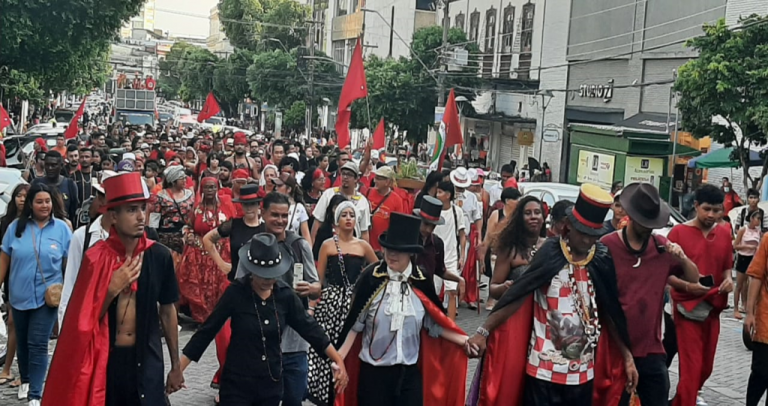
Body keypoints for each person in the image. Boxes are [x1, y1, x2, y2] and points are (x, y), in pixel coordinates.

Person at [465, 183, 636, 406]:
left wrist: (627, 356)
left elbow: (610, 312)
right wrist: (482, 331)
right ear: (568, 227)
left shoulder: (601, 258)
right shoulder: (550, 252)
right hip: (543, 372)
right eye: (583, 233)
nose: (587, 240)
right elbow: (517, 294)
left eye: (593, 234)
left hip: (583, 374)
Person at [43, 171, 183, 406]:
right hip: (107, 363)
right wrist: (110, 290)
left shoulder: (159, 256)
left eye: (142, 208)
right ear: (113, 216)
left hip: (148, 360)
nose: (140, 216)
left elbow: (168, 311)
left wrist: (176, 365)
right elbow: (80, 322)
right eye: (131, 210)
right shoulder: (95, 258)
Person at [181, 232, 348, 405]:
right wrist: (178, 369)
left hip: (270, 384)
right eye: (262, 275)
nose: (268, 281)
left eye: (272, 275)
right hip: (237, 384)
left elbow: (310, 329)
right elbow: (207, 330)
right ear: (251, 270)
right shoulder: (236, 293)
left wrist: (337, 359)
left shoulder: (285, 296)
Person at [336, 213, 469, 406]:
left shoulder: (421, 281)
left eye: (399, 250)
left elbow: (435, 324)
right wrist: (338, 358)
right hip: (374, 375)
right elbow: (354, 325)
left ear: (411, 253)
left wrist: (466, 341)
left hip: (409, 375)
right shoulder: (371, 278)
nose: (391, 254)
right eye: (388, 249)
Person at [600, 182, 700, 406]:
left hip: (652, 349)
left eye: (652, 224)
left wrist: (682, 257)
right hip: (615, 348)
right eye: (644, 223)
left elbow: (695, 277)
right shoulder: (607, 246)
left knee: (657, 395)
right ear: (632, 216)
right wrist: (625, 355)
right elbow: (601, 303)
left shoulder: (662, 248)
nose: (648, 228)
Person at [233, 192, 322, 406]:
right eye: (275, 215)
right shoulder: (251, 248)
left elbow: (317, 287)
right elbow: (239, 289)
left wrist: (310, 288)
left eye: (284, 215)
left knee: (294, 398)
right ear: (263, 213)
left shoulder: (300, 245)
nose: (280, 221)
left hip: (295, 341)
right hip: (261, 342)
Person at [0, 184, 72, 404]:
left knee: (38, 343)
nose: (44, 206)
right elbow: (4, 260)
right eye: (39, 201)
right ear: (30, 204)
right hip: (18, 296)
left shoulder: (62, 229)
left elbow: (69, 265)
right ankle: (26, 380)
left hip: (47, 297)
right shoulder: (15, 228)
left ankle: (35, 394)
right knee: (22, 341)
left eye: (47, 201)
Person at [667, 184, 734, 406]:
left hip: (714, 307)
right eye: (707, 209)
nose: (712, 215)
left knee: (705, 368)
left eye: (717, 210)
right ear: (696, 206)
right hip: (687, 308)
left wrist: (728, 280)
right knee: (691, 369)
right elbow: (666, 276)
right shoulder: (678, 233)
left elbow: (726, 266)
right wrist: (688, 288)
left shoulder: (724, 233)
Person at [307, 201, 378, 406]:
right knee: (327, 351)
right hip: (330, 303)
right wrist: (312, 305)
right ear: (337, 220)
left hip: (354, 304)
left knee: (350, 350)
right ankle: (328, 396)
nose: (348, 218)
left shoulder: (363, 246)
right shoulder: (327, 245)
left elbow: (377, 272)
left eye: (352, 215)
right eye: (344, 215)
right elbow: (319, 281)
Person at [59, 171, 117, 327]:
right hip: (89, 317)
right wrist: (66, 323)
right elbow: (71, 283)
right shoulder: (82, 236)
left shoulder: (131, 238)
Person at [488, 195, 546, 300]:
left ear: (543, 218)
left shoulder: (550, 246)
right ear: (520, 219)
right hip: (517, 312)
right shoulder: (509, 249)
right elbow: (493, 288)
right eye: (527, 213)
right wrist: (504, 287)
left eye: (537, 212)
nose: (533, 216)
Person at [0, 183, 28, 388]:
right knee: (13, 325)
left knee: (17, 326)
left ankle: (18, 371)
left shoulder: (34, 224)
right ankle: (9, 368)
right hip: (10, 279)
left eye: (26, 196)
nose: (22, 200)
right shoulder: (5, 223)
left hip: (27, 280)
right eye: (19, 196)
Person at [204, 184, 262, 282]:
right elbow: (207, 239)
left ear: (258, 205)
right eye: (245, 204)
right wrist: (221, 263)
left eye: (252, 204)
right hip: (236, 281)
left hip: (260, 281)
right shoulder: (233, 224)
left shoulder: (265, 228)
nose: (248, 208)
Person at [413, 195, 466, 299]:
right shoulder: (408, 239)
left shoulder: (437, 243)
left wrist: (459, 279)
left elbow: (440, 270)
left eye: (432, 226)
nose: (428, 230)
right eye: (426, 224)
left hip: (427, 294)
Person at [312, 162, 371, 244]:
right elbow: (318, 222)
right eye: (343, 174)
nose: (345, 177)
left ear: (356, 179)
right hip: (328, 243)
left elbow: (364, 232)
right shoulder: (328, 194)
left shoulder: (362, 201)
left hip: (352, 246)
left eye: (349, 175)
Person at [433, 181, 466, 316]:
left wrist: (462, 256)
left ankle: (452, 324)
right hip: (435, 256)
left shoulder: (457, 212)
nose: (437, 194)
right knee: (432, 292)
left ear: (448, 195)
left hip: (451, 256)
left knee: (452, 292)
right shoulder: (433, 211)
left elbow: (462, 236)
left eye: (440, 192)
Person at [451, 167, 483, 309]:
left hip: (466, 237)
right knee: (451, 267)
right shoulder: (448, 194)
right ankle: (451, 298)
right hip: (450, 237)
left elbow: (477, 218)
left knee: (467, 268)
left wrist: (479, 237)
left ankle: (468, 297)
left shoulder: (472, 198)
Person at [745, 221, 768, 405]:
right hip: (765, 320)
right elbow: (756, 276)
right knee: (761, 372)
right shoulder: (767, 240)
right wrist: (750, 313)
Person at [154, 165, 195, 264]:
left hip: (185, 236)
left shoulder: (189, 194)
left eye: (185, 178)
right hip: (166, 237)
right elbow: (154, 218)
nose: (185, 180)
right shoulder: (160, 196)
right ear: (173, 181)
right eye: (181, 179)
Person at [30, 150, 79, 221]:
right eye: (47, 165)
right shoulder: (36, 183)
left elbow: (73, 211)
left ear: (61, 166)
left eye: (53, 165)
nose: (50, 168)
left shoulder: (70, 184)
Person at [366, 166, 405, 252]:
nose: (375, 181)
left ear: (387, 182)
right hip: (366, 245)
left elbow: (398, 226)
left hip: (382, 249)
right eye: (375, 177)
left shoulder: (397, 200)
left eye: (378, 178)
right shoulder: (368, 192)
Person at [734, 210, 762, 320]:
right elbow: (735, 245)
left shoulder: (758, 231)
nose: (758, 221)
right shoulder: (743, 230)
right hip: (743, 257)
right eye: (757, 219)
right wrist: (747, 247)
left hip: (752, 258)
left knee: (750, 284)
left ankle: (747, 306)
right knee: (739, 284)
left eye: (760, 219)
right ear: (751, 218)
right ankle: (736, 308)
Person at [274, 173, 312, 244]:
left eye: (279, 186)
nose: (276, 188)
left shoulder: (299, 208)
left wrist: (308, 253)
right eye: (276, 186)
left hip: (292, 249)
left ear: (289, 189)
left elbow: (306, 235)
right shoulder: (271, 205)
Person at [301, 167, 326, 233]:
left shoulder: (325, 197)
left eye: (324, 179)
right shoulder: (302, 197)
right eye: (320, 180)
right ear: (312, 182)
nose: (323, 182)